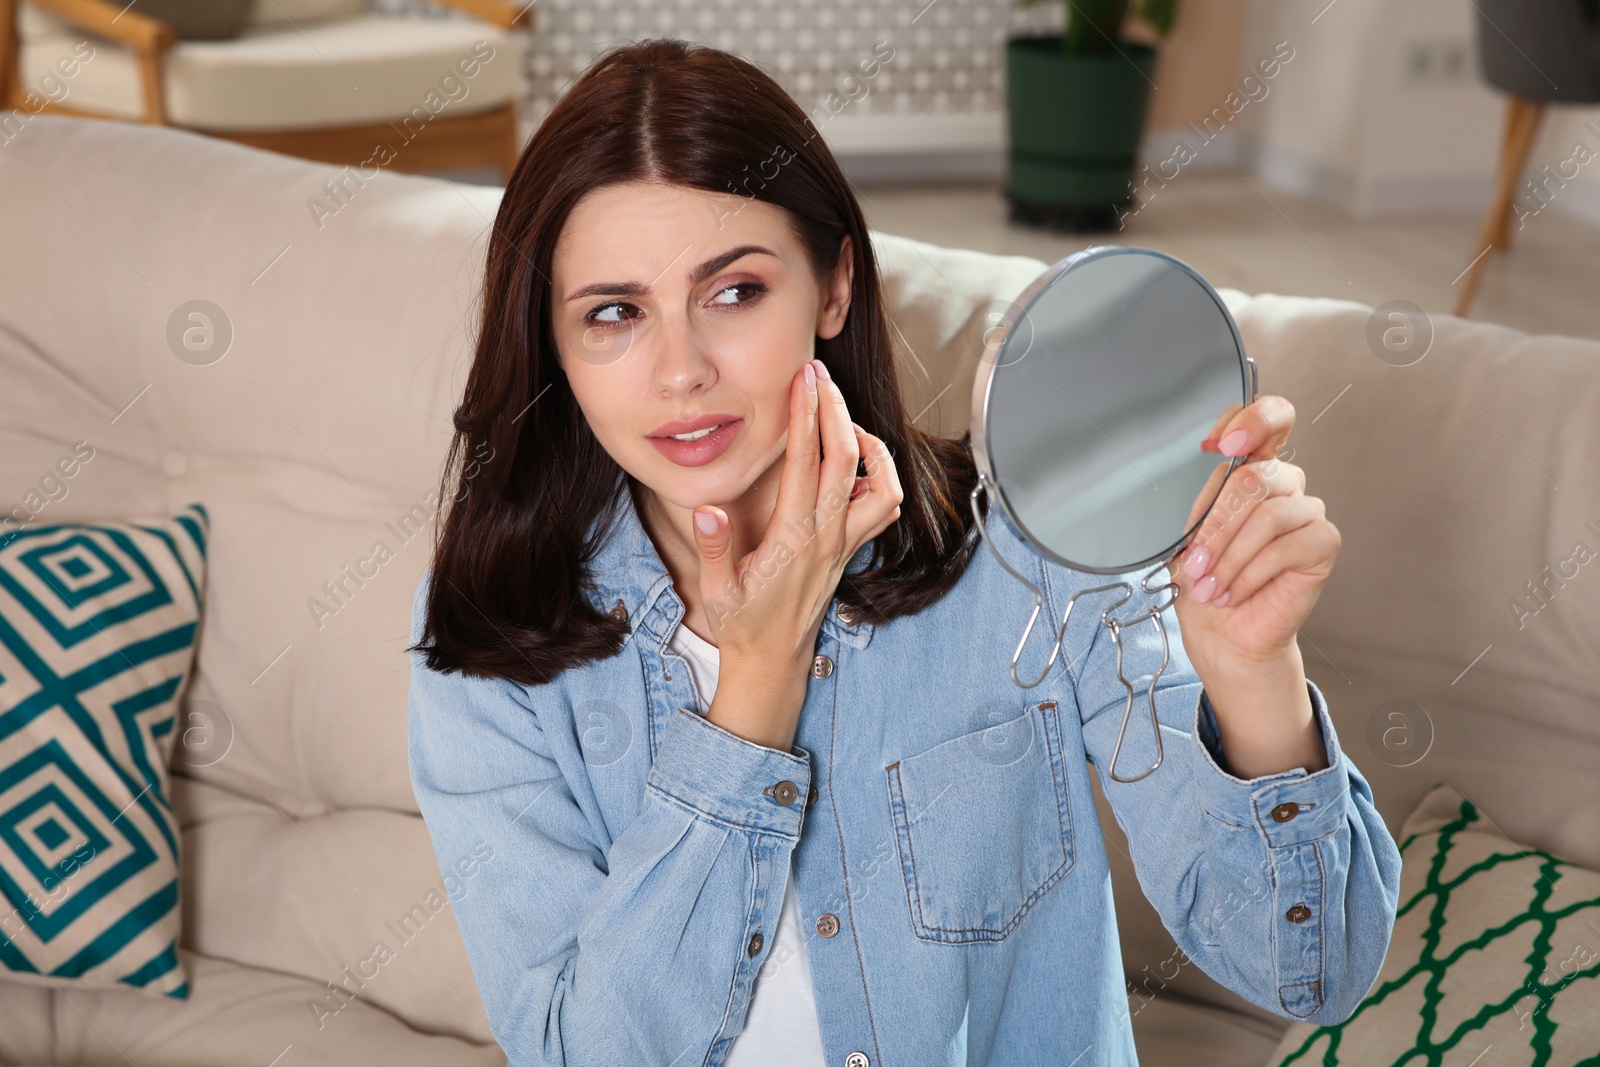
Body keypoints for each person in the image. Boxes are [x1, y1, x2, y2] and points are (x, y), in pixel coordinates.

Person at [406, 37, 1402, 1067]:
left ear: (833, 288)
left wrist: (1253, 679)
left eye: (734, 292)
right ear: (556, 346)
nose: (679, 372)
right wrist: (756, 679)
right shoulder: (493, 629)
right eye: (612, 314)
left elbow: (1315, 971)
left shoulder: (1030, 545)